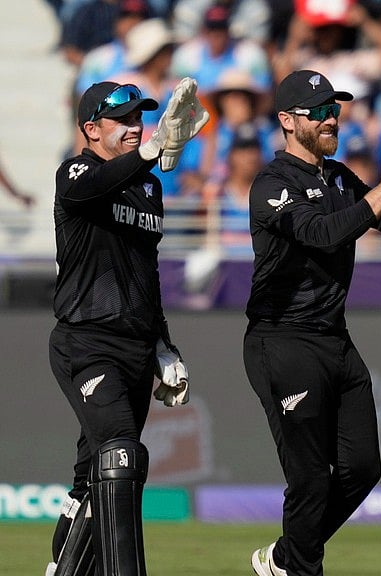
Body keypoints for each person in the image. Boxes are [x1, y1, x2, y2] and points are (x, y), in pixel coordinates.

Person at [245, 69, 381, 576]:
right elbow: (324, 234)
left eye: (336, 109)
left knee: (362, 468)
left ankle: (286, 557)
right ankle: (301, 568)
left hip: (334, 339)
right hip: (282, 339)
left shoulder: (338, 177)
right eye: (321, 111)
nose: (333, 119)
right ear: (287, 121)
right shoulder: (272, 183)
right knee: (308, 478)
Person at [46, 78, 208, 576]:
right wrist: (155, 148)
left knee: (95, 479)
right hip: (86, 340)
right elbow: (95, 185)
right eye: (125, 120)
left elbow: (145, 270)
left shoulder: (148, 185)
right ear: (91, 129)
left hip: (136, 345)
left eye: (140, 119)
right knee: (120, 454)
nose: (136, 127)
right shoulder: (77, 170)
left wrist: (163, 344)